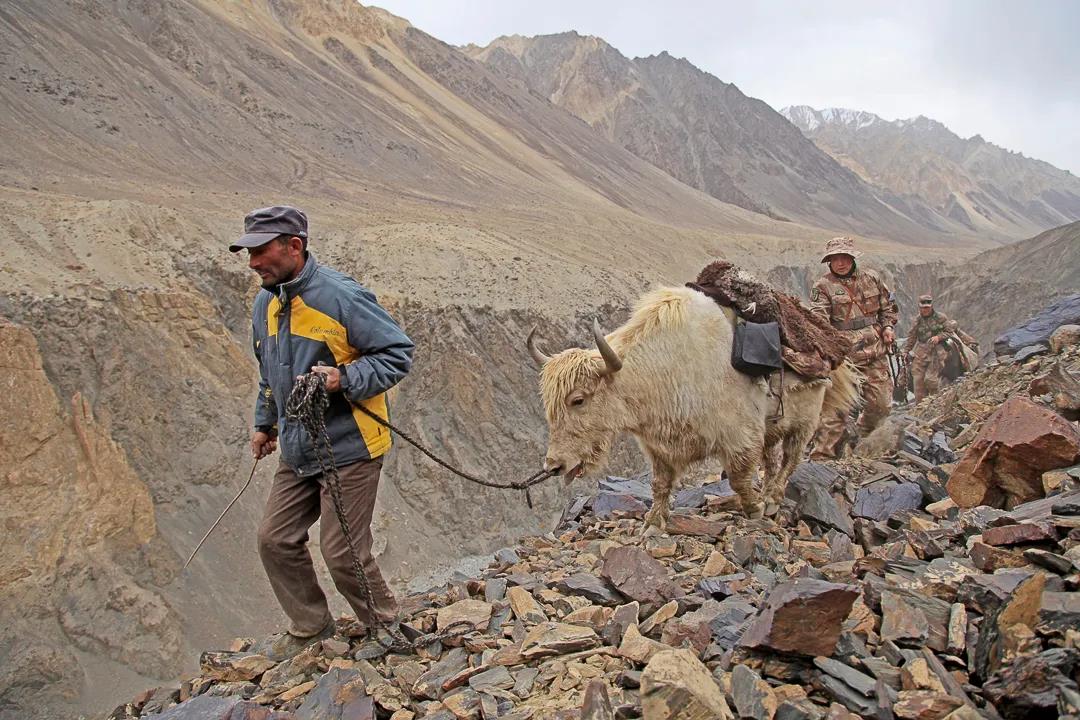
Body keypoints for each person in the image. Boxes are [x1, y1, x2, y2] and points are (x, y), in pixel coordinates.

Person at [230, 205, 414, 659]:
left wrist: (342, 378)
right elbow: (269, 372)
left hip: (351, 446)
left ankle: (386, 628)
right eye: (249, 252)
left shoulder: (340, 297)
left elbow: (396, 354)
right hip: (299, 447)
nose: (252, 262)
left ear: (294, 246)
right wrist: (265, 423)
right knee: (275, 540)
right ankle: (312, 626)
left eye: (260, 251)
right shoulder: (266, 303)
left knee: (343, 551)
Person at [808, 236, 898, 459]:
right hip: (844, 360)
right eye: (835, 258)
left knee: (881, 406)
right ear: (829, 261)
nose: (840, 263)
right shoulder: (822, 287)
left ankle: (863, 441)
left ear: (852, 258)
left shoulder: (872, 278)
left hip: (875, 353)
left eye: (845, 257)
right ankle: (823, 458)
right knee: (835, 411)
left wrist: (887, 327)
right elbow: (818, 321)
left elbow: (888, 308)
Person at [903, 294, 977, 401]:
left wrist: (938, 337)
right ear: (919, 307)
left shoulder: (941, 318)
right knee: (918, 381)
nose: (925, 310)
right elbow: (912, 337)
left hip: (937, 350)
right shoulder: (917, 321)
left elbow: (949, 332)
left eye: (927, 308)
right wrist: (906, 351)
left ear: (931, 306)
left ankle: (934, 402)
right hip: (921, 350)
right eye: (923, 308)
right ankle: (920, 405)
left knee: (931, 380)